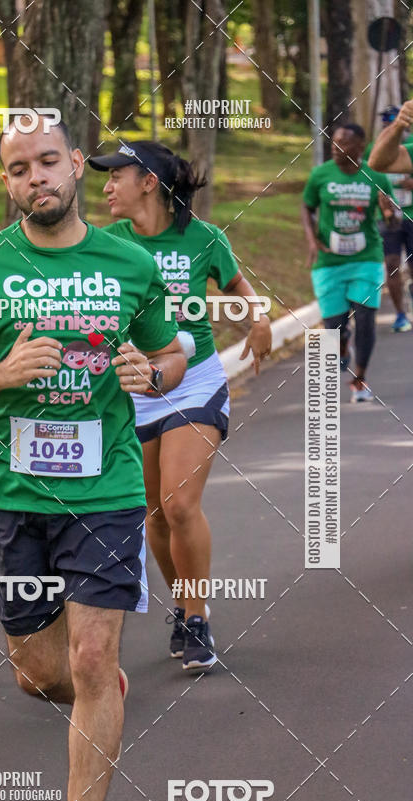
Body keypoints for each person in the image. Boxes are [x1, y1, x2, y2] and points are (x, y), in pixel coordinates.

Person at [0, 117, 186, 801]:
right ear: (7, 182)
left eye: (47, 162)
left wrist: (155, 374)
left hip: (104, 494)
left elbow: (174, 351)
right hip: (13, 496)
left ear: (74, 165)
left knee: (94, 659)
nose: (35, 178)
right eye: (16, 169)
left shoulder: (129, 263)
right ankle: (85, 688)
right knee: (40, 673)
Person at [88, 140, 272, 669]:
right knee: (154, 518)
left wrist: (257, 321)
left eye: (115, 176)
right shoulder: (106, 243)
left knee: (179, 504)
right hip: (134, 388)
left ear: (148, 182)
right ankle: (184, 605)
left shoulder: (203, 239)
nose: (105, 187)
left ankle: (197, 619)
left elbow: (238, 291)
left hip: (193, 382)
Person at [302, 124, 397, 402]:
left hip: (365, 258)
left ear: (360, 147)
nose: (335, 147)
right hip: (328, 261)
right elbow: (306, 207)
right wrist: (311, 240)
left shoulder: (376, 176)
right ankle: (342, 346)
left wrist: (388, 213)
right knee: (335, 327)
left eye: (343, 143)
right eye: (334, 142)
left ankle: (361, 378)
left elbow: (392, 221)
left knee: (366, 317)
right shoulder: (321, 175)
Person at [363, 106, 413, 332]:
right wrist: (380, 201)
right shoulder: (378, 148)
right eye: (385, 121)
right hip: (389, 215)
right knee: (392, 264)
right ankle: (401, 315)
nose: (387, 123)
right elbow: (373, 166)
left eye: (391, 119)